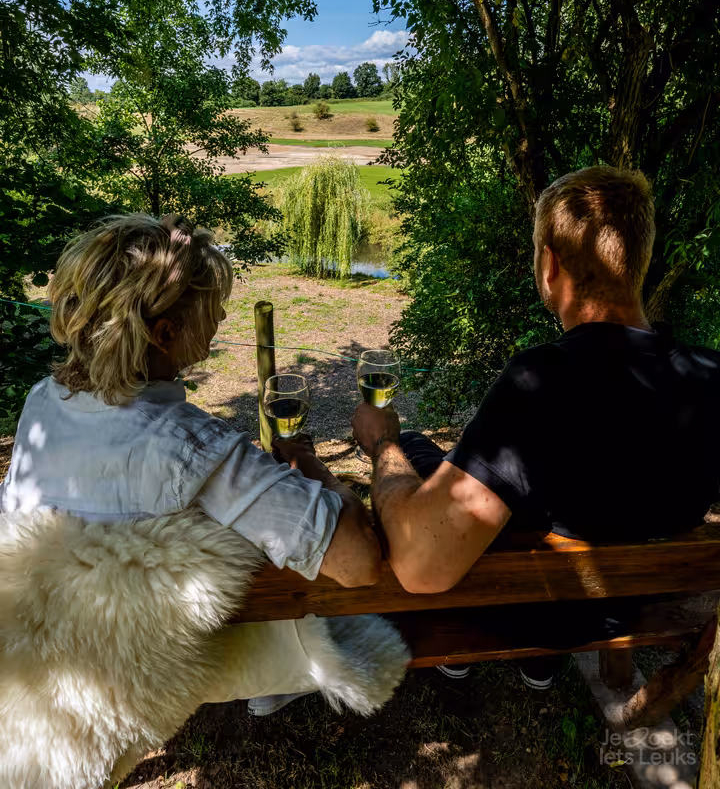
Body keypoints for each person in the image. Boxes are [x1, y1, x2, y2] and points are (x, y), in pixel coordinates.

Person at [0, 214, 408, 787]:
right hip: (128, 693)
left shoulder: (43, 401)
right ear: (165, 334)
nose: (220, 320)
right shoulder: (192, 448)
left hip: (37, 680)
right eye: (213, 310)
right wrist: (319, 470)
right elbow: (358, 562)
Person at [352, 165, 720, 688]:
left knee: (409, 448)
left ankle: (461, 655)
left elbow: (420, 565)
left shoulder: (542, 379)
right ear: (640, 263)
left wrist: (382, 442)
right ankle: (541, 667)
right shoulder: (711, 377)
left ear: (549, 266)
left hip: (528, 610)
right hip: (636, 609)